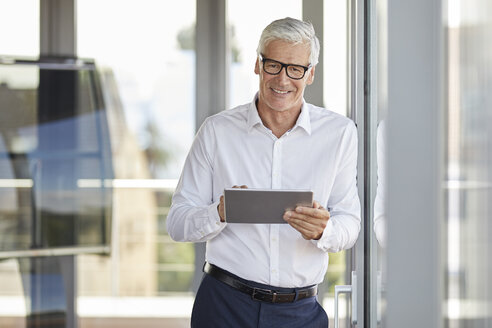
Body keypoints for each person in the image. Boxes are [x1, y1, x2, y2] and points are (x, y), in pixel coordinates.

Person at [167, 17, 361, 328]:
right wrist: (219, 212)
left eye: (295, 69)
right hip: (223, 306)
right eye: (273, 65)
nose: (283, 79)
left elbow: (350, 221)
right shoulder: (217, 132)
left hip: (301, 312)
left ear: (310, 74)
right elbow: (177, 223)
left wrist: (325, 230)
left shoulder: (339, 134)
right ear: (258, 65)